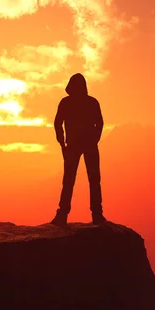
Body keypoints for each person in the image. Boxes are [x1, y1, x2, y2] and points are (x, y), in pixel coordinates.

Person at [50, 73, 107, 226]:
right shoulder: (88, 102)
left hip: (80, 146)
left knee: (76, 181)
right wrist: (63, 143)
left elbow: (99, 123)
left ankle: (65, 215)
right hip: (81, 146)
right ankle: (95, 215)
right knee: (86, 180)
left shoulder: (72, 102)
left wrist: (63, 144)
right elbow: (58, 123)